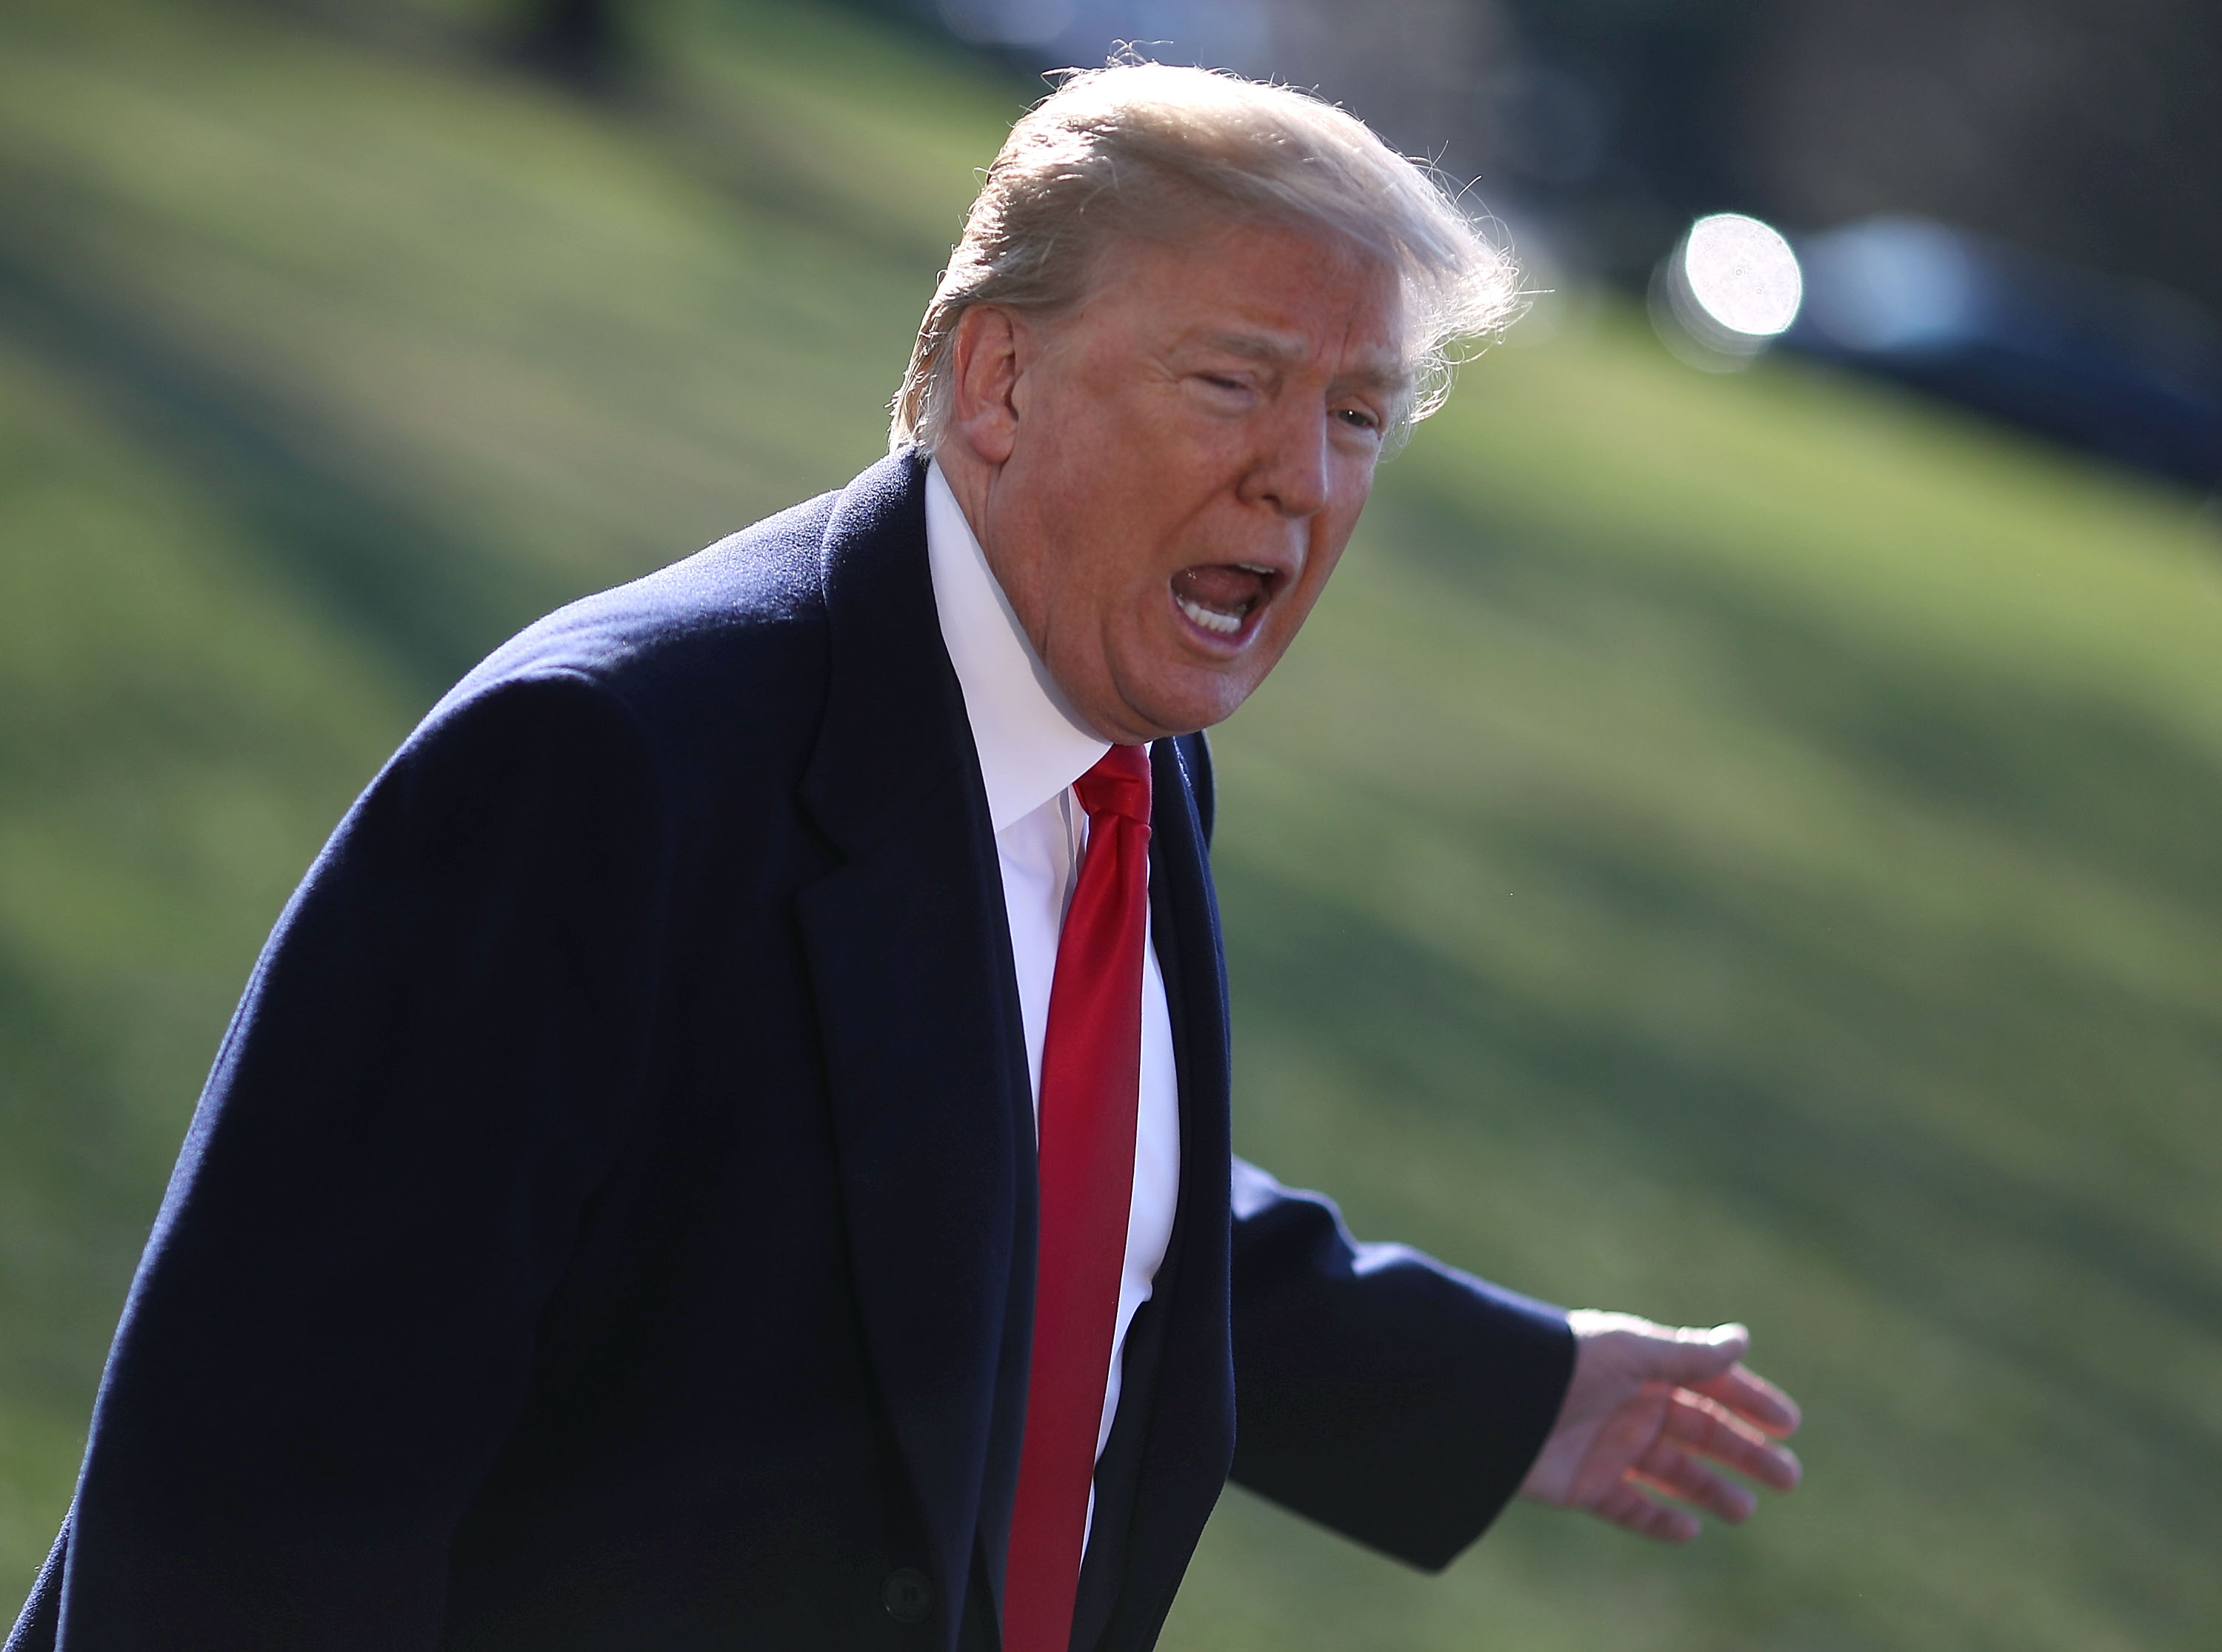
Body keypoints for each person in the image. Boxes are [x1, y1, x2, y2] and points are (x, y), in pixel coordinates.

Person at [7, 62, 1799, 1652]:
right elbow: (249, 1497)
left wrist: (1504, 1391)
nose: (1301, 483)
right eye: (1236, 380)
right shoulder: (594, 776)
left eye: (1355, 413)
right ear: (997, 378)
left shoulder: (1124, 755)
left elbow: (992, 1158)